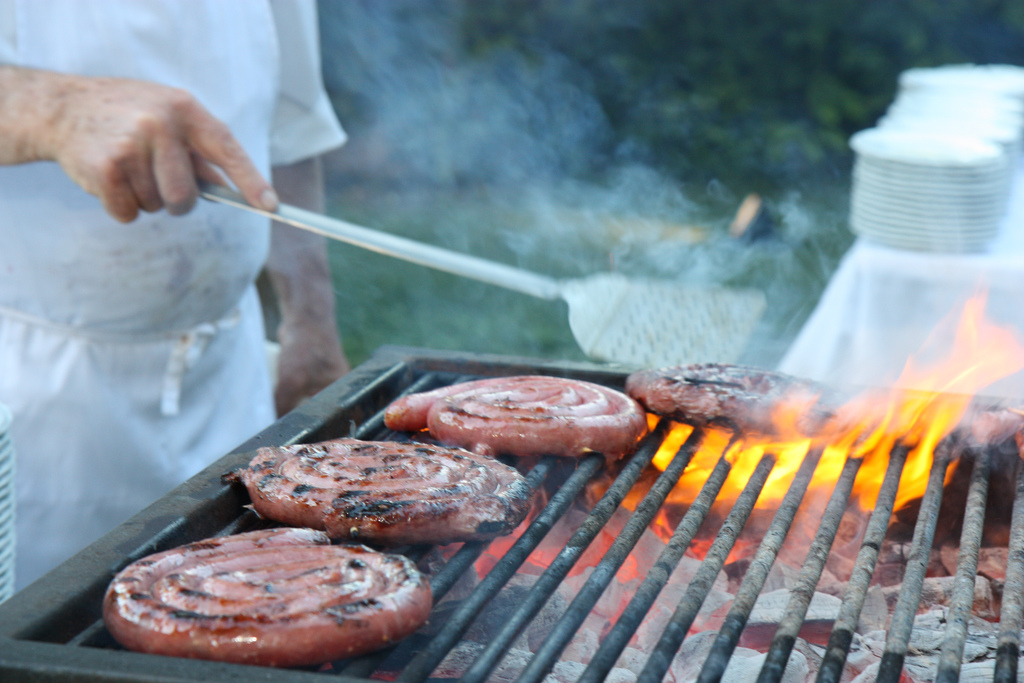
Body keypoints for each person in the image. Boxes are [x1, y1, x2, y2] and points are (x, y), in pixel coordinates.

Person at [0, 0, 351, 589]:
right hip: (34, 402)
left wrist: (311, 322)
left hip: (229, 388)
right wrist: (47, 109)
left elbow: (287, 132)